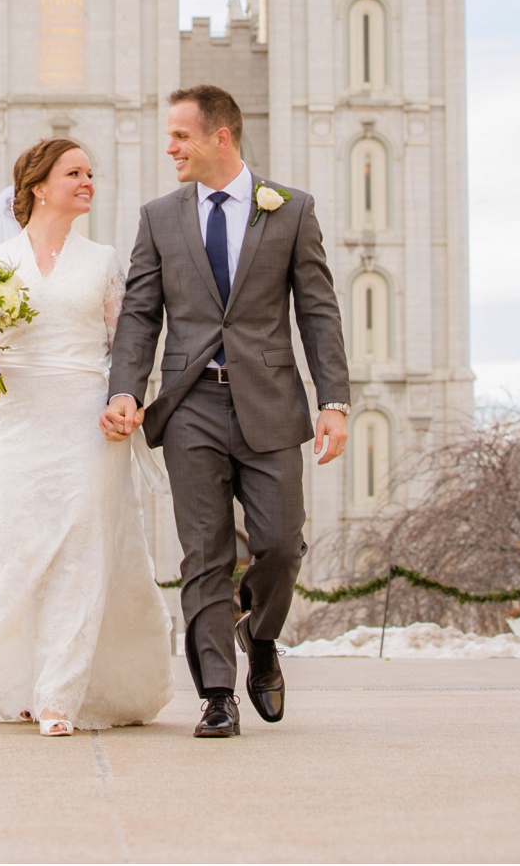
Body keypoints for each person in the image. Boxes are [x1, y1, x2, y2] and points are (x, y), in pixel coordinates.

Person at [102, 84, 351, 739]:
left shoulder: (291, 210)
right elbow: (139, 317)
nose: (170, 147)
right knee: (204, 554)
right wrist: (125, 388)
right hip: (191, 406)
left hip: (270, 404)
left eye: (181, 135)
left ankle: (260, 636)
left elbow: (318, 311)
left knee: (278, 542)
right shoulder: (159, 217)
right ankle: (217, 693)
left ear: (222, 136)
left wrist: (334, 400)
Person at [0, 138, 175, 735]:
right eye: (74, 173)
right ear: (38, 187)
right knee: (20, 547)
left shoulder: (103, 260)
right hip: (15, 422)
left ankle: (60, 693)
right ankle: (24, 681)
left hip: (85, 421)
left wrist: (124, 400)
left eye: (90, 173)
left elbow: (125, 345)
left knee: (80, 548)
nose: (87, 182)